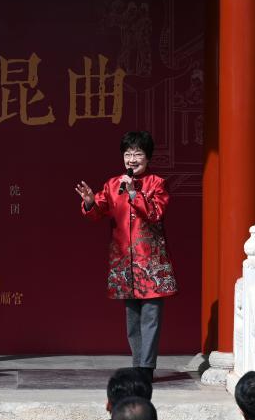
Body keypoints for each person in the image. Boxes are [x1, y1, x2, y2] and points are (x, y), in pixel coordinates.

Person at [76, 131, 177, 384]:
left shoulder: (157, 183)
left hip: (150, 263)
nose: (132, 159)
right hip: (124, 262)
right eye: (128, 154)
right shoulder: (113, 184)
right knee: (133, 319)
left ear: (148, 157)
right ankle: (137, 364)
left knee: (151, 317)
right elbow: (98, 212)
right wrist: (89, 202)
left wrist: (134, 194)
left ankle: (146, 368)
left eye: (137, 154)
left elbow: (155, 213)